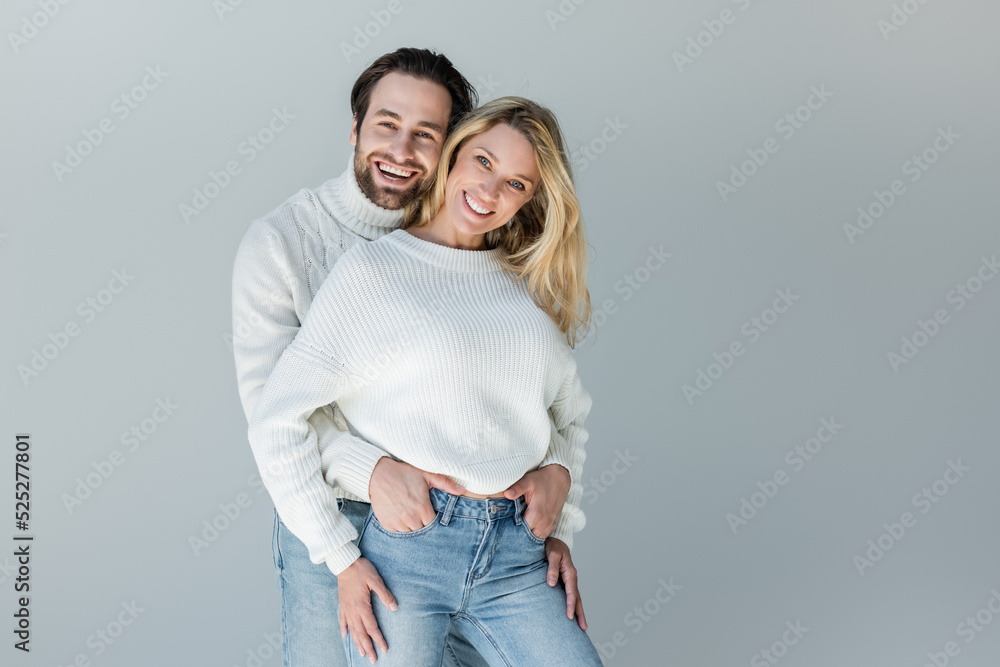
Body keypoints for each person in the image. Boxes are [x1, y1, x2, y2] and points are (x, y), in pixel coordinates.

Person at [232, 49, 588, 667]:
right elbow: (277, 412)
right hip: (328, 512)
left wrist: (555, 477)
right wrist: (368, 471)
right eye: (386, 124)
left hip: (484, 528)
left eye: (425, 134)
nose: (401, 149)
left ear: (449, 146)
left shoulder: (499, 264)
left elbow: (521, 393)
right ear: (355, 127)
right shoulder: (286, 245)